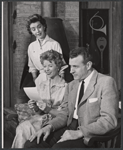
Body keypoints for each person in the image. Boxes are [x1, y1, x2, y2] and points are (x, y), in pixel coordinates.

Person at [24, 47, 119, 148]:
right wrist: (49, 127)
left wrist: (80, 132)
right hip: (68, 128)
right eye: (70, 66)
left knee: (58, 148)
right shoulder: (71, 85)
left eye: (75, 67)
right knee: (31, 144)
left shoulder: (106, 82)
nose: (71, 71)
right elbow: (64, 114)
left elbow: (109, 120)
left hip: (88, 135)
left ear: (88, 65)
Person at [11, 50, 68, 148]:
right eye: (44, 66)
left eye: (50, 66)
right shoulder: (42, 85)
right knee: (22, 128)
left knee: (25, 129)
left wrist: (48, 109)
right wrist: (35, 107)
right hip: (40, 119)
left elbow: (65, 116)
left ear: (58, 66)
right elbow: (39, 112)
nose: (46, 69)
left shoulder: (66, 87)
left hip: (55, 123)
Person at [18, 14, 68, 103]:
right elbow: (32, 67)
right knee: (38, 105)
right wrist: (36, 81)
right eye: (33, 29)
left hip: (54, 79)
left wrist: (60, 84)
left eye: (39, 27)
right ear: (31, 31)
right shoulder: (31, 47)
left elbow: (62, 66)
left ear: (44, 26)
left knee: (54, 104)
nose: (37, 31)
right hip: (39, 80)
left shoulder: (54, 44)